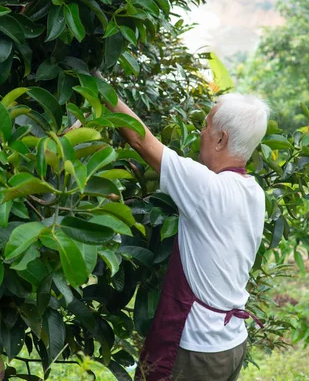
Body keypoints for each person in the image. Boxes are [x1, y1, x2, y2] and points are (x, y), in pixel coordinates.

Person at [93, 79, 269, 380]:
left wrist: (96, 82)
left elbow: (140, 141)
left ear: (221, 139)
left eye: (206, 125)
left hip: (194, 348)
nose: (201, 133)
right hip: (232, 342)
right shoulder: (254, 192)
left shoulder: (206, 188)